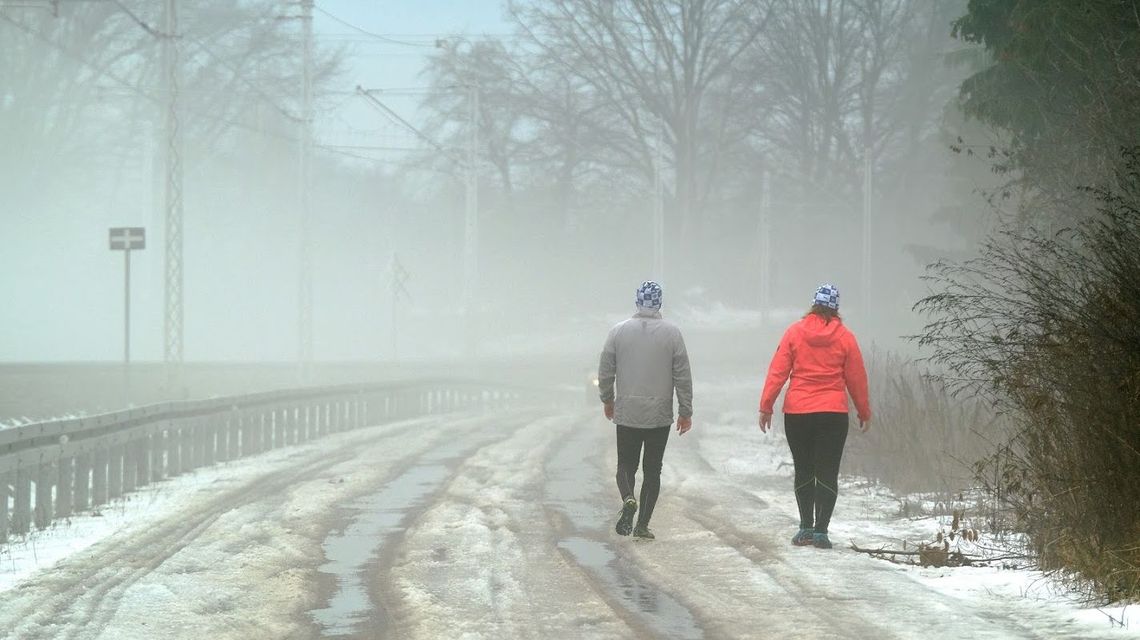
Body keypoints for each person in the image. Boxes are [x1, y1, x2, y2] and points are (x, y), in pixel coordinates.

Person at [758, 284, 871, 549]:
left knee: (804, 469)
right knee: (828, 472)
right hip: (833, 413)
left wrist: (766, 406)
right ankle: (821, 531)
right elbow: (856, 378)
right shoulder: (845, 337)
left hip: (798, 413)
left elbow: (778, 371)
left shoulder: (794, 333)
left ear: (813, 305)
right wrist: (864, 410)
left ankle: (805, 527)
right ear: (836, 308)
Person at [598, 280, 693, 540]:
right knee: (652, 470)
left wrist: (607, 398)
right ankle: (642, 525)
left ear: (637, 301)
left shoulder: (618, 332)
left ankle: (628, 498)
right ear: (660, 303)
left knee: (625, 465)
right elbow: (682, 374)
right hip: (658, 414)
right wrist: (686, 410)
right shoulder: (672, 334)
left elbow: (606, 368)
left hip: (627, 411)